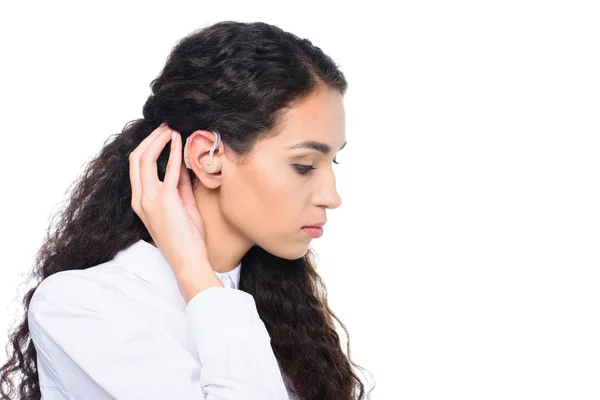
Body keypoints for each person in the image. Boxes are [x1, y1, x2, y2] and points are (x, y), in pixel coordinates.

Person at [0, 20, 374, 400]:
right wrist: (194, 271)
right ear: (207, 157)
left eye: (333, 164)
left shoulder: (283, 313)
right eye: (305, 165)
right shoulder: (80, 304)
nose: (332, 196)